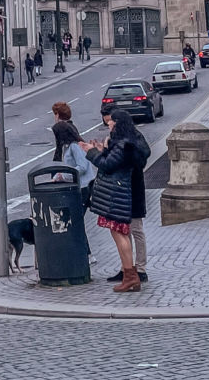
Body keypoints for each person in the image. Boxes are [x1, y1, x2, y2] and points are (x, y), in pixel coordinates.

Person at [83, 110, 149, 292]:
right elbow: (113, 160)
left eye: (111, 122)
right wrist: (102, 150)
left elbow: (108, 165)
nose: (109, 125)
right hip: (123, 192)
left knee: (126, 231)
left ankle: (133, 273)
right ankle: (129, 272)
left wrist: (92, 153)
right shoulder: (125, 143)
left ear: (119, 123)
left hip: (121, 193)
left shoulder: (124, 144)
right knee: (122, 232)